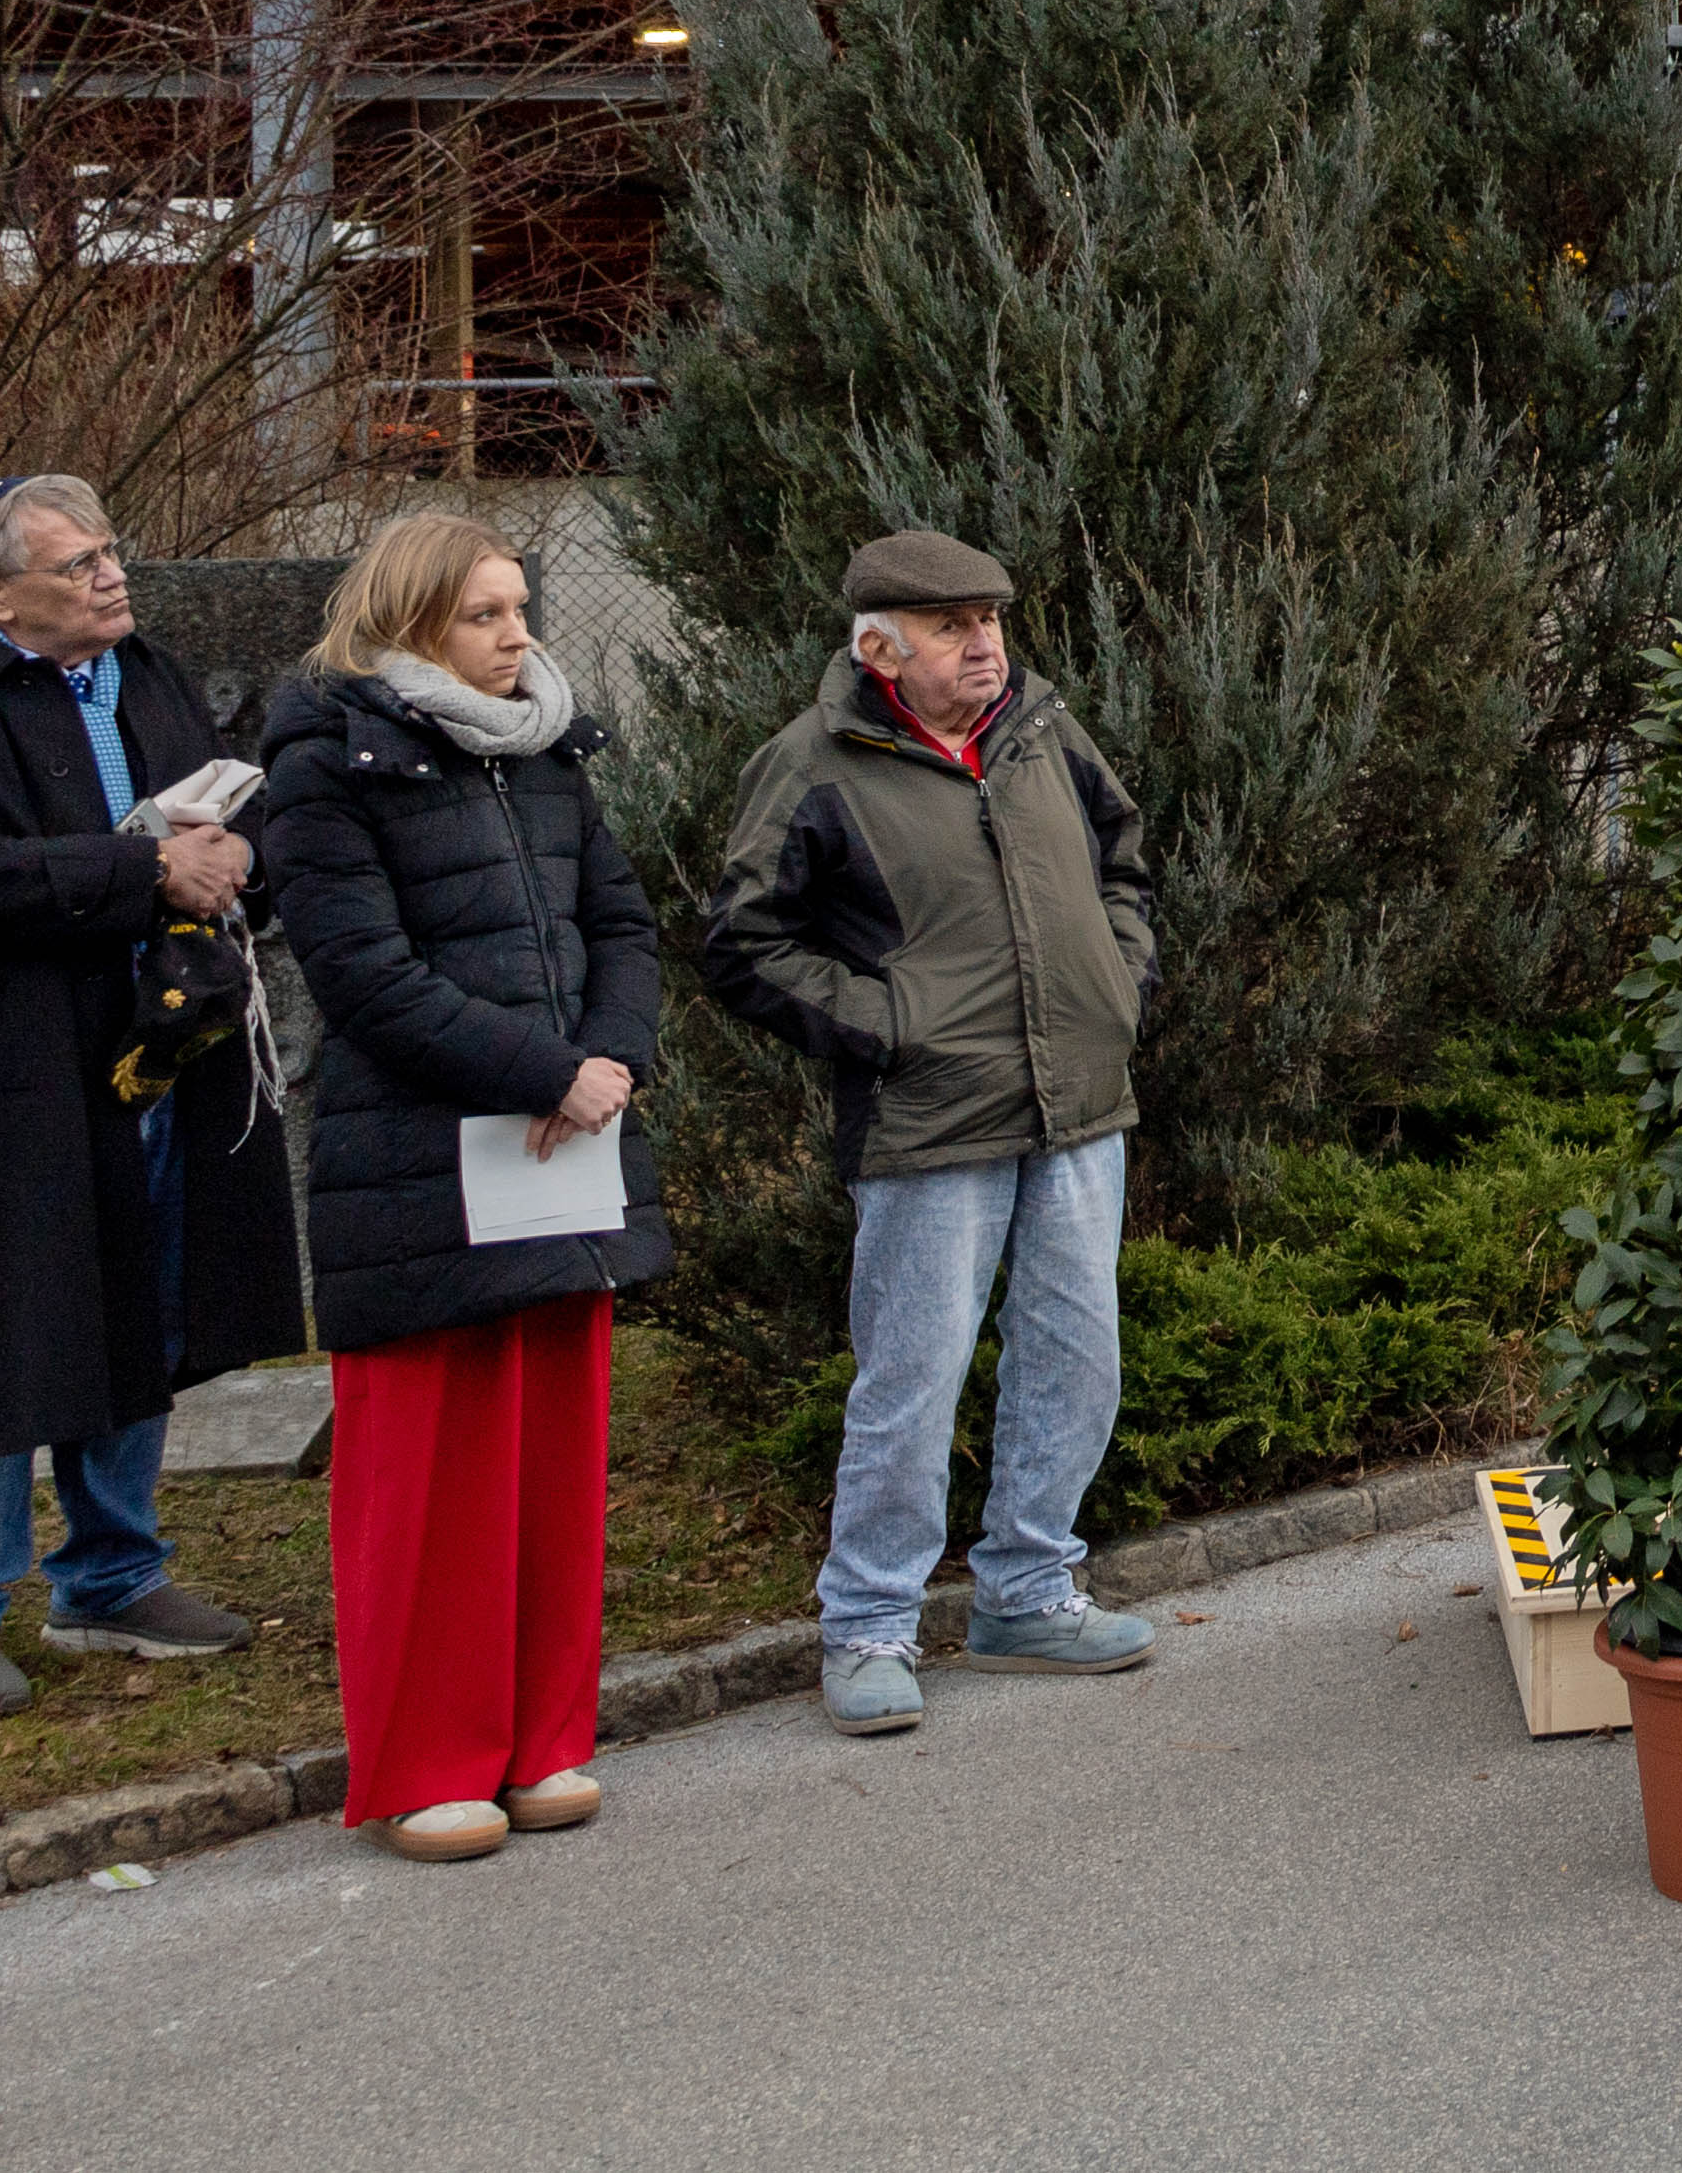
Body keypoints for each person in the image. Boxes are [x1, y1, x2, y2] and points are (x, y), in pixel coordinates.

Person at [0, 475, 304, 1714]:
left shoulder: (143, 670)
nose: (111, 574)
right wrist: (146, 870)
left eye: (110, 551)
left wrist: (238, 855)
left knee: (138, 1302)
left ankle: (110, 1574)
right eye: (78, 563)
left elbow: (222, 822)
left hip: (149, 1046)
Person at [257, 513, 666, 1860]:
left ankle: (541, 1740)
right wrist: (548, 1070)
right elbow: (362, 974)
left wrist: (610, 1058)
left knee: (551, 1463)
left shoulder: (546, 750)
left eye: (518, 608)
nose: (516, 635)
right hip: (419, 1163)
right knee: (431, 1478)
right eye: (485, 614)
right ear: (411, 619)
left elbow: (620, 921)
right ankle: (428, 1762)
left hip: (565, 1146)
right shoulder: (326, 763)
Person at [705, 531, 1162, 1735]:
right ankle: (867, 1624)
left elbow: (1122, 862)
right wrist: (892, 1025)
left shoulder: (1043, 730)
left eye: (991, 619)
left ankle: (1027, 1592)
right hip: (928, 1119)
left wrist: (1116, 984)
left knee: (1075, 1356)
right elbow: (745, 942)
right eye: (951, 625)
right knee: (911, 1380)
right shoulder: (811, 762)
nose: (982, 643)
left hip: (1078, 1099)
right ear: (879, 646)